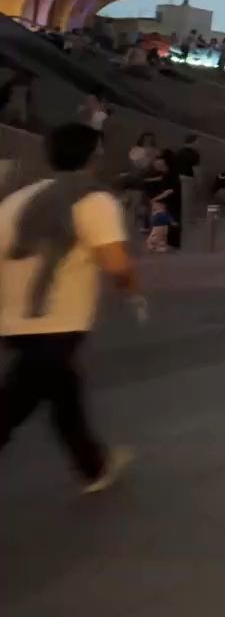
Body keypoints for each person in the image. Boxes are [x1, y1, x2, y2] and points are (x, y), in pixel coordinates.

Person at [0, 122, 140, 493]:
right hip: (57, 316)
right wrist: (130, 285)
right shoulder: (93, 199)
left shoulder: (18, 199)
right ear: (95, 156)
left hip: (13, 317)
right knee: (16, 402)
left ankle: (93, 466)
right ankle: (94, 465)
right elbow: (115, 262)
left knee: (62, 391)